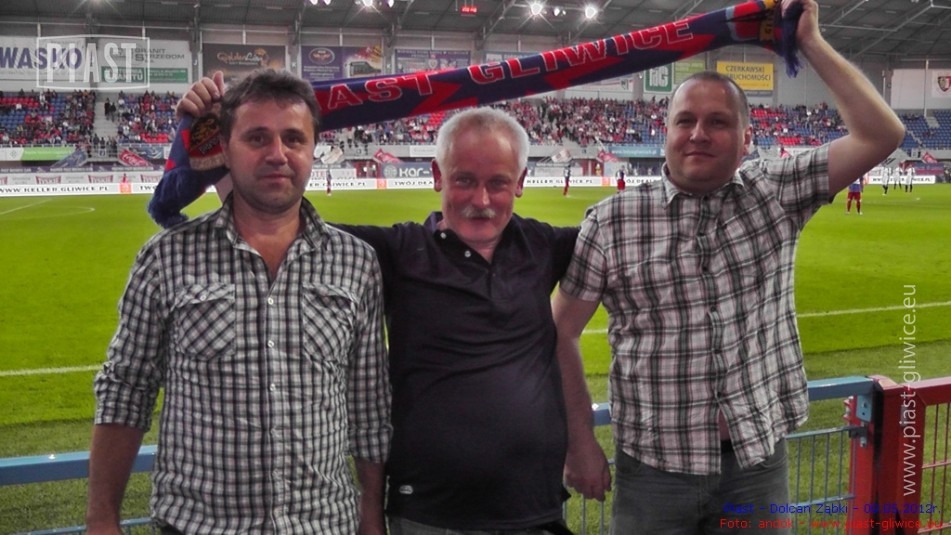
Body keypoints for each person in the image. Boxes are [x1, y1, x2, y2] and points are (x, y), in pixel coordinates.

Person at [175, 80, 610, 533]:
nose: (481, 201)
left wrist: (582, 443)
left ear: (520, 183)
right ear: (438, 176)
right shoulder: (398, 253)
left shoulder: (543, 246)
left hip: (534, 509)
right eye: (464, 180)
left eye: (497, 184)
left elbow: (621, 235)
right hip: (428, 515)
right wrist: (210, 127)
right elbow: (276, 223)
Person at [550, 1, 905, 533]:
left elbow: (882, 134)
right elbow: (561, 330)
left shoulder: (776, 191)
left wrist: (809, 42)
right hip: (653, 471)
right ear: (665, 132)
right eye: (685, 121)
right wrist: (578, 442)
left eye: (718, 122)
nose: (698, 133)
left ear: (745, 140)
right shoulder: (612, 220)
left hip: (757, 462)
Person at [86, 69, 392, 535]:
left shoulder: (357, 262)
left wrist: (372, 520)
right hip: (198, 526)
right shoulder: (166, 258)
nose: (278, 154)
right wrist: (101, 518)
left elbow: (369, 405)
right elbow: (125, 391)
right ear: (225, 151)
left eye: (294, 138)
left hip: (324, 525)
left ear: (314, 149)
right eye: (257, 138)